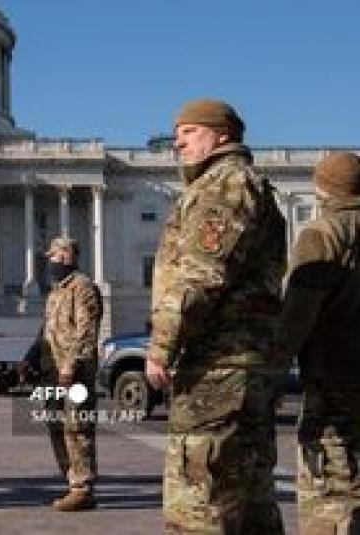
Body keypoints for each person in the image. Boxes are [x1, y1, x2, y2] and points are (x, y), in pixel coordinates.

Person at [146, 99, 286, 533]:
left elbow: (201, 275)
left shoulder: (223, 185)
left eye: (189, 131)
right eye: (177, 133)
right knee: (247, 497)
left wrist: (162, 345)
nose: (178, 142)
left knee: (198, 501)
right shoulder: (240, 184)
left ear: (221, 134)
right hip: (244, 363)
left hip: (218, 363)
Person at [278, 152, 360, 534]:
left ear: (321, 189)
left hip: (333, 382)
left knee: (330, 494)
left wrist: (270, 373)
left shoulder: (323, 233)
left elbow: (297, 316)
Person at [24, 237, 101, 512]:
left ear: (67, 256)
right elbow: (49, 329)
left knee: (77, 427)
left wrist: (71, 363)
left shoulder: (83, 287)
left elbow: (86, 330)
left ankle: (83, 487)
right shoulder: (57, 290)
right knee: (56, 424)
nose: (50, 262)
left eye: (54, 256)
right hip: (53, 369)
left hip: (75, 371)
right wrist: (32, 354)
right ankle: (71, 480)